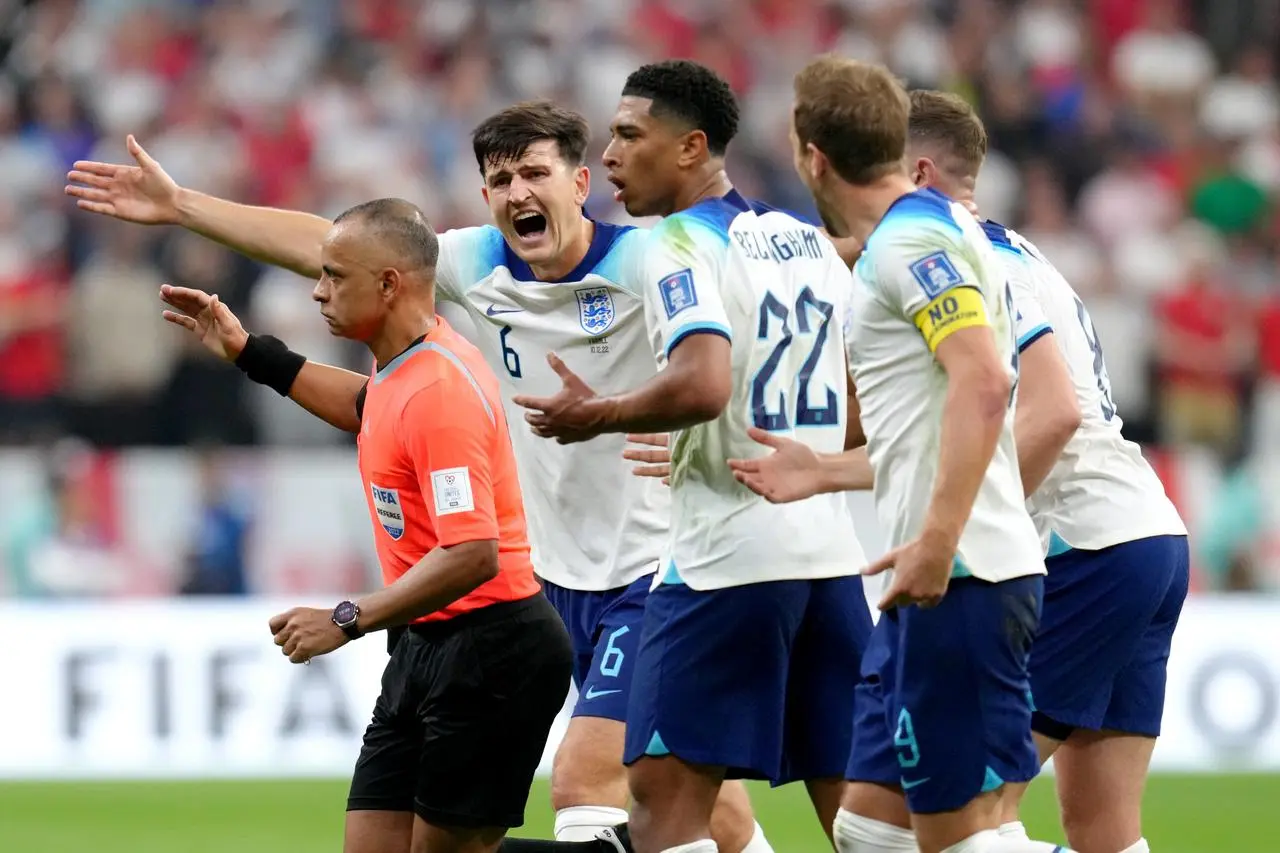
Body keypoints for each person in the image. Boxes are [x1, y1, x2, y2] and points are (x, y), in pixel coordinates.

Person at [65, 103, 769, 853]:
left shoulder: (648, 262)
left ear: (579, 182)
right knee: (698, 797)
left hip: (654, 569)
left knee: (584, 777)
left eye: (536, 172)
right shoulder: (472, 264)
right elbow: (331, 247)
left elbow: (761, 334)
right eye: (500, 179)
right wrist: (183, 207)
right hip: (554, 576)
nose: (518, 192)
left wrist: (722, 440)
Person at [730, 88, 1189, 853]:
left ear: (914, 167)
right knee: (1099, 831)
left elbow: (1047, 411)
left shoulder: (961, 253)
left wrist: (965, 530)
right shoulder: (1005, 249)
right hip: (1140, 538)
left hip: (1080, 551)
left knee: (907, 826)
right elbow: (954, 433)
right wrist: (829, 469)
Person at [513, 59, 872, 853]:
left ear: (691, 148)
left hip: (723, 562)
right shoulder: (801, 238)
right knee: (862, 820)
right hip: (828, 558)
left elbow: (703, 382)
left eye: (629, 135)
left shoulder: (675, 242)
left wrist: (599, 414)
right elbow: (854, 414)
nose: (608, 154)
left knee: (663, 805)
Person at [158, 197, 573, 853]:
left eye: (333, 276)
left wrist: (347, 617)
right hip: (423, 642)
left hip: (493, 650)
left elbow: (472, 553)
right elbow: (368, 407)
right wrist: (247, 351)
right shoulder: (399, 365)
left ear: (388, 284)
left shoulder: (441, 390)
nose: (319, 292)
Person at [782, 57, 1070, 853]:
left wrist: (940, 540)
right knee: (869, 828)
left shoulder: (912, 242)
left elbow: (984, 379)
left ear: (813, 156)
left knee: (959, 837)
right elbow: (922, 418)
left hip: (963, 573)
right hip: (929, 579)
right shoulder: (906, 237)